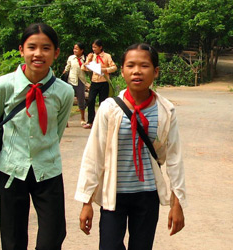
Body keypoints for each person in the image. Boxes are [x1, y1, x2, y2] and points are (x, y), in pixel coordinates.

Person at [75, 43, 187, 250]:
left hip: (147, 195)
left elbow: (174, 158)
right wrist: (86, 202)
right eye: (130, 65)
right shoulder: (109, 108)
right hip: (113, 194)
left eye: (144, 66)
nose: (137, 71)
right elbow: (94, 155)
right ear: (123, 71)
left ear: (156, 72)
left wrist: (177, 202)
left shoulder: (166, 110)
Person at [0, 23, 74, 250]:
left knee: (53, 235)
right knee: (13, 238)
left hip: (48, 169)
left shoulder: (64, 91)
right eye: (32, 47)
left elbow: (57, 132)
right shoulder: (3, 85)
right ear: (21, 50)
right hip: (11, 169)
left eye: (46, 48)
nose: (38, 54)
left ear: (56, 53)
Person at [81, 39, 117, 129]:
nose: (93, 49)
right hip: (94, 81)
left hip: (104, 82)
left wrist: (104, 70)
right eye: (92, 47)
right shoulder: (91, 56)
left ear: (100, 47)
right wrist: (87, 60)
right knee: (91, 100)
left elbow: (114, 67)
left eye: (95, 47)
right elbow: (84, 68)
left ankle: (102, 122)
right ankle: (90, 121)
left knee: (103, 102)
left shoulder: (107, 56)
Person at [63, 42, 88, 125]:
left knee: (81, 99)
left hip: (80, 81)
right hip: (71, 80)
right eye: (74, 48)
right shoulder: (71, 58)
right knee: (68, 100)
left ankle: (82, 118)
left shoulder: (86, 59)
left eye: (77, 49)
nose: (75, 50)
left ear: (81, 50)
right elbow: (67, 67)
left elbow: (89, 70)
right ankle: (65, 121)